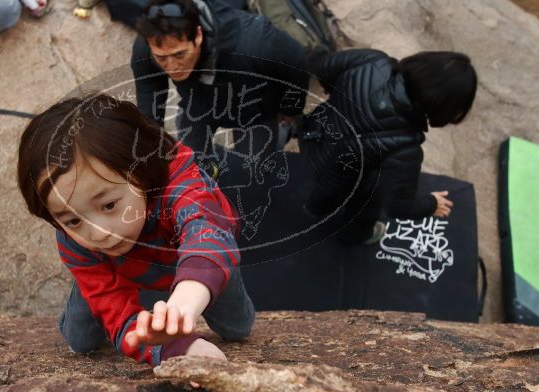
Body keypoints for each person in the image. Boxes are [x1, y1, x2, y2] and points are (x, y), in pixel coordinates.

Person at [16, 93, 255, 366]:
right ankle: (93, 280)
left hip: (199, 255)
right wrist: (171, 347)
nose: (98, 232)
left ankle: (215, 271)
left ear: (142, 172)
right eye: (72, 220)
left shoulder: (183, 187)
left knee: (238, 328)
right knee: (79, 341)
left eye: (108, 205)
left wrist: (181, 309)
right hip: (114, 264)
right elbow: (127, 328)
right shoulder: (78, 241)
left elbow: (206, 233)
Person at [300, 49, 477, 244]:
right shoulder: (406, 147)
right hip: (330, 178)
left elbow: (326, 67)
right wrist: (431, 204)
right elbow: (399, 206)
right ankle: (357, 232)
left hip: (311, 132)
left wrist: (335, 91)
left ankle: (314, 210)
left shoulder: (374, 60)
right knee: (374, 190)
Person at [131, 0, 309, 167]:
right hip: (197, 105)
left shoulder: (254, 41)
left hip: (256, 111)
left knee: (254, 174)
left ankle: (282, 130)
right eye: (161, 58)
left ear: (198, 35)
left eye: (179, 55)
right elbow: (149, 86)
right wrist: (152, 134)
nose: (172, 67)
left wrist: (290, 109)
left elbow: (297, 62)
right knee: (192, 168)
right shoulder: (149, 44)